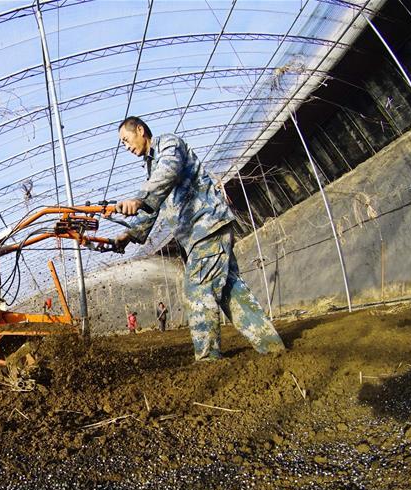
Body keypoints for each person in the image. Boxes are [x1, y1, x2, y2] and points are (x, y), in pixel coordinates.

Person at [114, 116, 284, 361]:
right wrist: (129, 235)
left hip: (206, 226)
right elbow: (153, 206)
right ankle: (272, 347)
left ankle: (208, 359)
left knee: (198, 288)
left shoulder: (168, 145)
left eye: (126, 140)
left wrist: (140, 198)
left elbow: (167, 172)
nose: (126, 146)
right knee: (230, 289)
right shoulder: (151, 168)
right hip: (199, 234)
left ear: (140, 130)